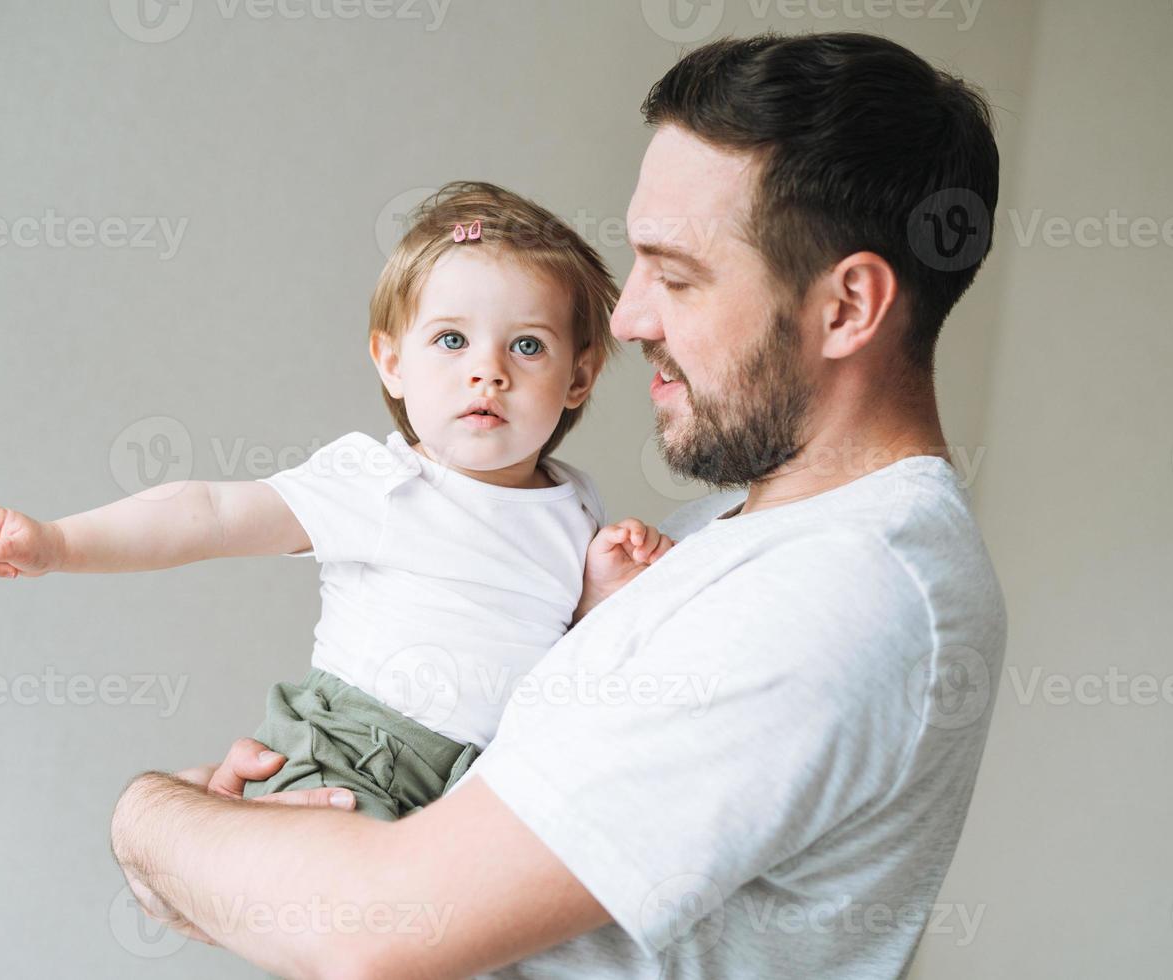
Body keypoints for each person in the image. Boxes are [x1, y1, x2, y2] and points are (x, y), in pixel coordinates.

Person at [109, 31, 1007, 979]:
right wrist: (251, 860)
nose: (626, 320)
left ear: (847, 308)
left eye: (680, 275)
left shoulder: (836, 595)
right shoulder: (712, 545)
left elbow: (371, 930)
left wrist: (150, 820)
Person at [0, 181, 675, 824]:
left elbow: (555, 644)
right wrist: (59, 543)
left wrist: (600, 591)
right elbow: (208, 514)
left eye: (528, 346)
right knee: (357, 921)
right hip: (353, 757)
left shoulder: (573, 504)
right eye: (451, 340)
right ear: (391, 362)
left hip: (480, 780)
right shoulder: (380, 484)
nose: (487, 371)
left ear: (578, 380)